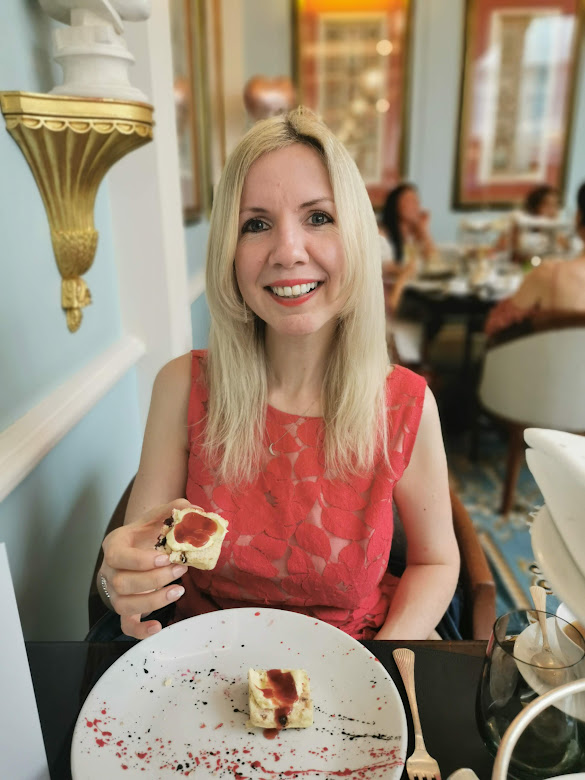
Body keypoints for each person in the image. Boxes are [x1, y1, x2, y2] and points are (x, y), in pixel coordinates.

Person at [98, 107, 459, 641]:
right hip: (205, 657)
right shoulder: (181, 388)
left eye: (319, 217)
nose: (288, 252)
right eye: (256, 224)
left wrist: (375, 662)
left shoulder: (405, 405)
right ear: (230, 253)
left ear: (357, 237)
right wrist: (118, 584)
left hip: (356, 654)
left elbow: (435, 562)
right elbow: (142, 558)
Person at [485, 183, 585, 339]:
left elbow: (495, 326)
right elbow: (499, 253)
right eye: (547, 205)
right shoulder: (520, 231)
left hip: (545, 349)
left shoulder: (551, 264)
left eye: (556, 206)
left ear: (578, 217)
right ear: (534, 208)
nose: (552, 211)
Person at [380, 183, 437, 268]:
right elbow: (387, 268)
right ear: (395, 205)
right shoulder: (382, 234)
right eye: (409, 201)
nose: (415, 207)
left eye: (416, 202)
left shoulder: (415, 235)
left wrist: (424, 231)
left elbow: (434, 262)